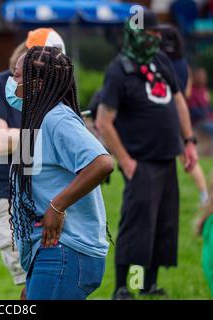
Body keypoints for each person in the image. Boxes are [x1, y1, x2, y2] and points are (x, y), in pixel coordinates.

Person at [96, 11, 198, 300]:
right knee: (137, 230)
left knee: (161, 228)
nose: (155, 40)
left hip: (167, 159)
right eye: (149, 35)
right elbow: (104, 121)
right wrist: (126, 162)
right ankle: (122, 287)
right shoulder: (119, 70)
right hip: (141, 162)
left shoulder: (161, 61)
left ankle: (146, 285)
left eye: (157, 36)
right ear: (134, 35)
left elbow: (178, 99)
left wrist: (188, 141)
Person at [8, 46, 114, 300]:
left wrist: (57, 207)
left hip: (66, 251)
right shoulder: (37, 120)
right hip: (48, 253)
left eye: (17, 76)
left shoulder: (58, 119)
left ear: (37, 84)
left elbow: (102, 163)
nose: (11, 82)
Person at [0, 28, 65, 295]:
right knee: (33, 276)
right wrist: (48, 134)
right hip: (6, 195)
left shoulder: (53, 90)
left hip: (49, 197)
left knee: (47, 274)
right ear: (25, 53)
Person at [160, 25, 209, 207]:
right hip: (181, 114)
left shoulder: (158, 62)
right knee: (186, 156)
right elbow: (186, 93)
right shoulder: (183, 64)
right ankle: (204, 194)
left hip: (163, 115)